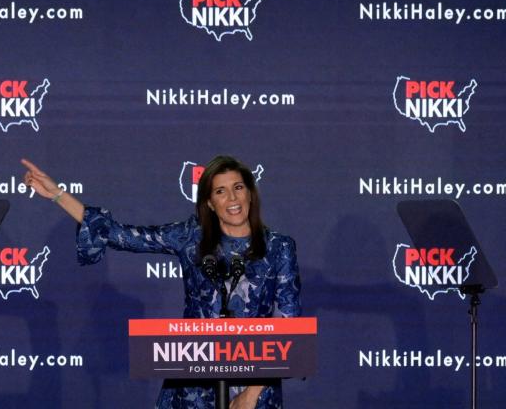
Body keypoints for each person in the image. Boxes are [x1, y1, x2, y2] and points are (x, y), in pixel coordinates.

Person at [21, 156, 301, 409]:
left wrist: (251, 394)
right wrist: (58, 194)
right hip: (194, 383)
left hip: (255, 384)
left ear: (251, 194)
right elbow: (123, 235)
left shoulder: (279, 247)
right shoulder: (192, 237)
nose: (232, 197)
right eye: (220, 191)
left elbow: (287, 325)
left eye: (238, 187)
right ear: (209, 203)